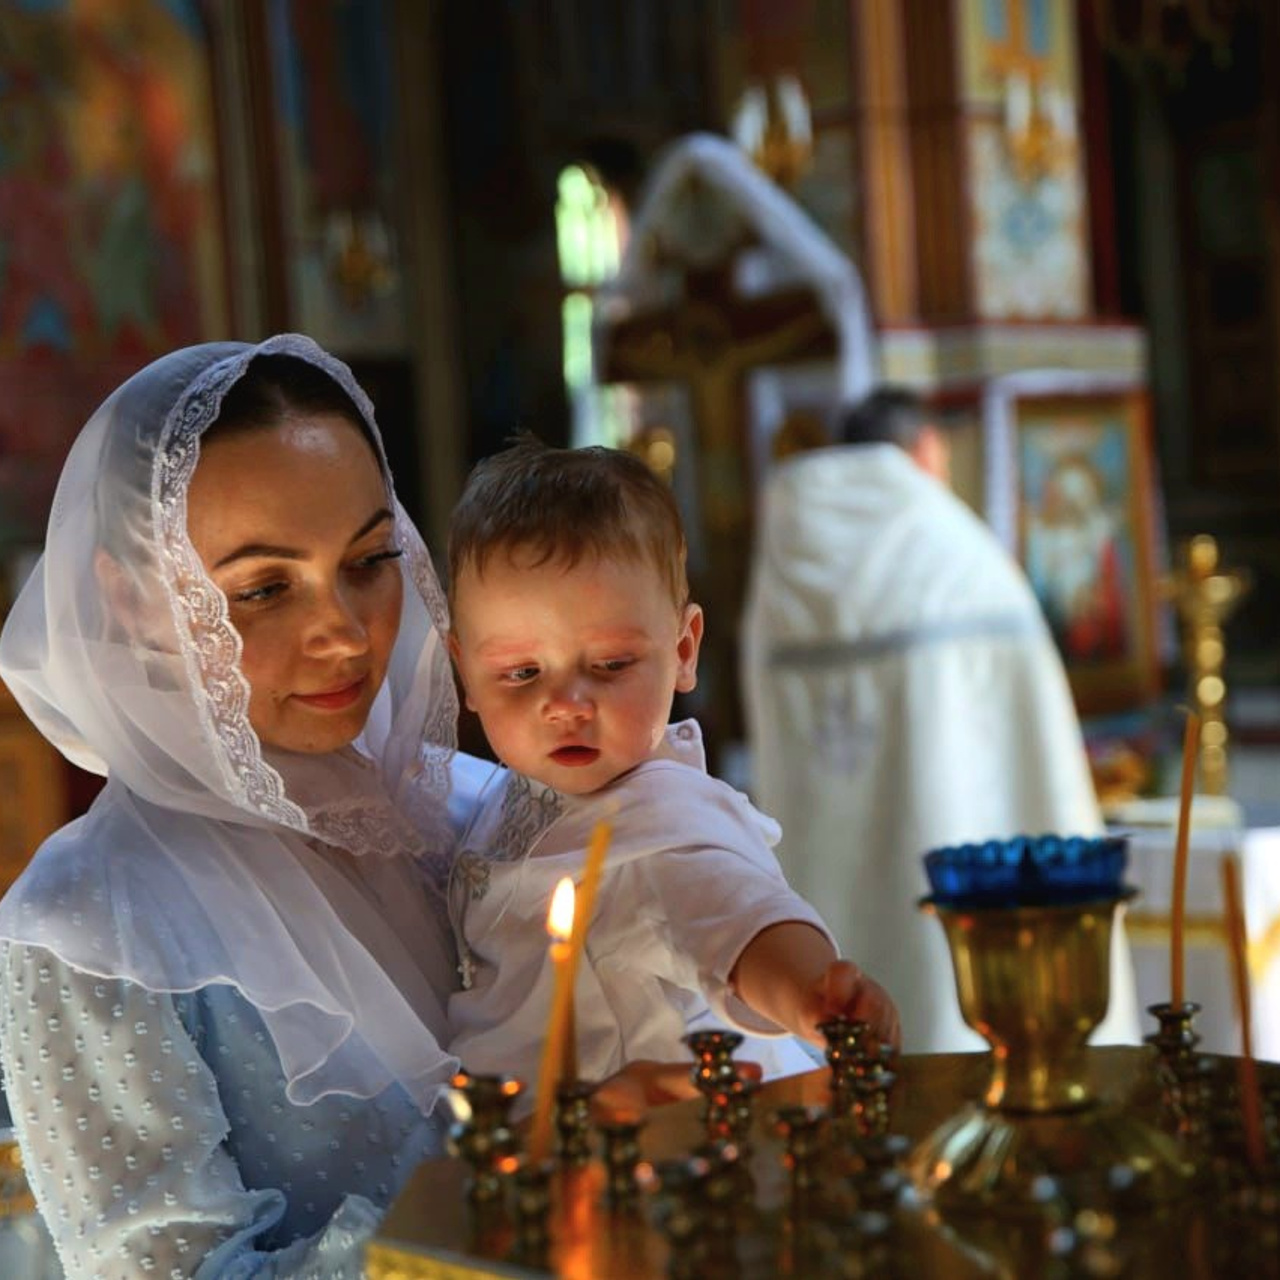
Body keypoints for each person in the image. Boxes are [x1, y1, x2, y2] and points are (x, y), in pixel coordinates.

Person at [0, 335, 473, 1277]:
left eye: (371, 558)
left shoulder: (476, 813)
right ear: (132, 599)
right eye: (262, 588)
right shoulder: (91, 924)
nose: (342, 630)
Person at [444, 436, 900, 1096]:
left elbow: (739, 917)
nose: (566, 705)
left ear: (683, 649)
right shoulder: (507, 799)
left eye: (610, 666)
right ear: (466, 673)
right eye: (520, 673)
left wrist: (810, 993)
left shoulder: (658, 826)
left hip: (655, 1146)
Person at [741, 386, 1141, 1054]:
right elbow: (1025, 735)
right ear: (928, 448)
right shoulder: (954, 549)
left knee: (837, 1008)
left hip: (819, 871)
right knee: (941, 1008)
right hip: (949, 855)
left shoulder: (790, 548)